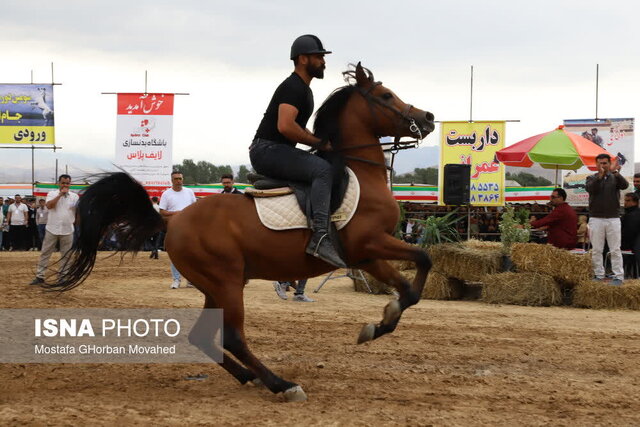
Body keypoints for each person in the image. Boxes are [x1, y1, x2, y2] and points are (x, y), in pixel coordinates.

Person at [249, 34, 346, 269]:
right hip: (268, 150)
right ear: (303, 59)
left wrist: (322, 141)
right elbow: (285, 125)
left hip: (275, 150)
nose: (324, 61)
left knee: (322, 162)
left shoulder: (304, 90)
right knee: (322, 170)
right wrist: (319, 144)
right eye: (319, 57)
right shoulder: (293, 87)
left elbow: (297, 128)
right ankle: (320, 237)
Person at [585, 153, 628, 285]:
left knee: (615, 249)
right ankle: (598, 274)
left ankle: (618, 276)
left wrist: (616, 173)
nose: (602, 166)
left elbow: (625, 185)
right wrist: (601, 176)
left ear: (609, 164)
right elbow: (590, 189)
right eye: (600, 163)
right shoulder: (591, 178)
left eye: (605, 163)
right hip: (596, 218)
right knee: (597, 249)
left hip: (613, 218)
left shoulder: (615, 177)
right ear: (596, 164)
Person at [29, 175, 79, 286]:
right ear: (58, 183)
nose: (65, 185)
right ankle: (40, 276)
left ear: (70, 184)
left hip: (68, 229)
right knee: (45, 253)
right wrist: (60, 195)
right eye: (63, 183)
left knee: (66, 255)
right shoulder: (51, 194)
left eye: (67, 183)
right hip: (52, 228)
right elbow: (50, 206)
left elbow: (77, 212)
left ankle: (63, 277)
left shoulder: (75, 197)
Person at [159, 171, 197, 289]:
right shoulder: (166, 194)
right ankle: (176, 280)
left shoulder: (189, 192)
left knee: (191, 254)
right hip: (174, 228)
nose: (178, 181)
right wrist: (176, 213)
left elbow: (195, 208)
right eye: (176, 179)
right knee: (176, 255)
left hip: (189, 228)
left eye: (180, 178)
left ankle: (191, 280)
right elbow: (162, 212)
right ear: (172, 180)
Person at [621, 193, 640, 278]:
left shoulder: (631, 216)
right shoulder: (630, 214)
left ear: (635, 203)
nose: (625, 203)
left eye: (628, 201)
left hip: (631, 246)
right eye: (625, 200)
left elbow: (629, 233)